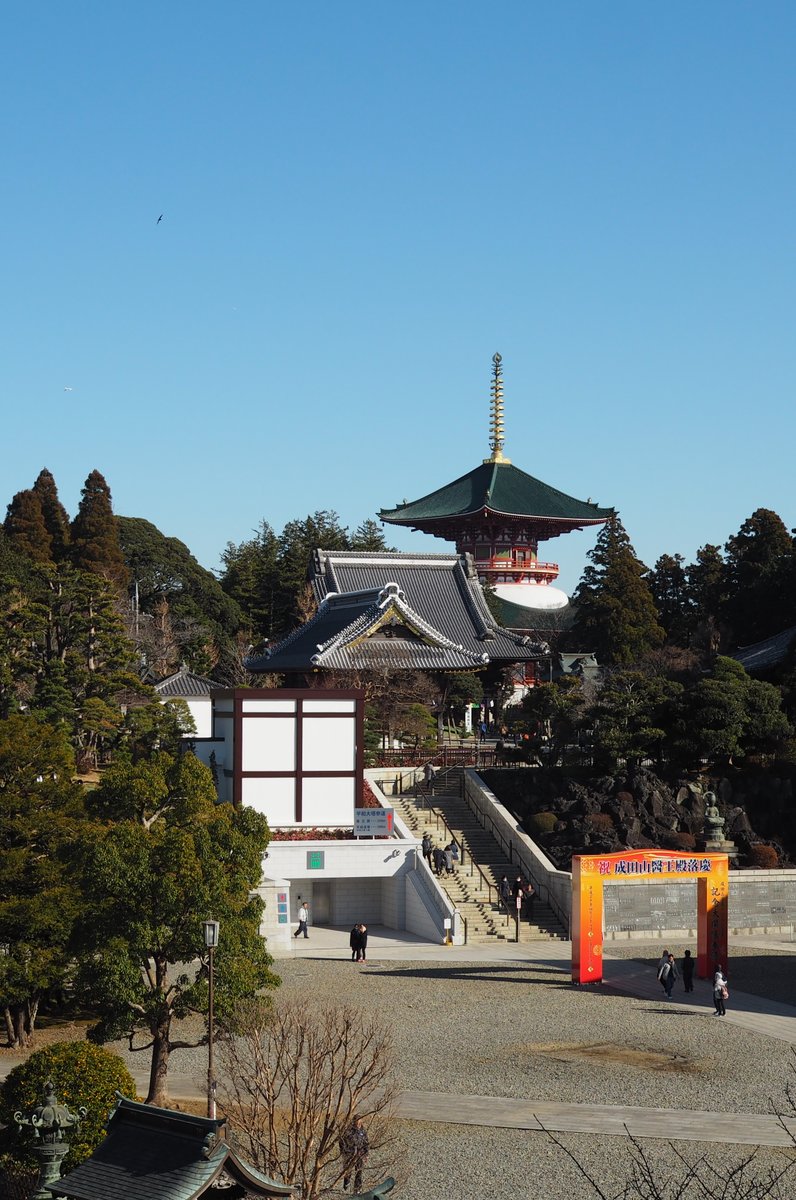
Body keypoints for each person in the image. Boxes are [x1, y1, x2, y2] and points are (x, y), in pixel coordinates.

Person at [340, 1115, 369, 1192]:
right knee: (348, 1171)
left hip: (360, 1154)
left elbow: (366, 1142)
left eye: (359, 1120)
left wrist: (366, 1154)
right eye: (356, 1121)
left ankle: (357, 1189)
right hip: (349, 1154)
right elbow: (342, 1142)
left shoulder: (363, 1130)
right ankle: (346, 1185)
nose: (358, 1122)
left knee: (359, 1171)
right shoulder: (348, 1130)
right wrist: (344, 1152)